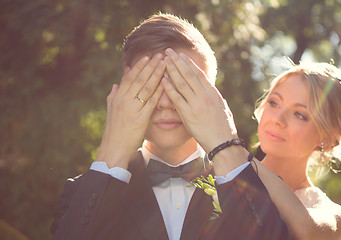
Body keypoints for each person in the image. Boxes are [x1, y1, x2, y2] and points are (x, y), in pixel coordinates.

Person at [51, 13, 291, 240]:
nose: (166, 103)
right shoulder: (83, 192)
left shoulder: (264, 191)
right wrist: (113, 147)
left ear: (212, 95)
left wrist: (225, 144)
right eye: (152, 83)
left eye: (182, 83)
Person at [250, 62, 341, 239]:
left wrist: (233, 157)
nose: (277, 119)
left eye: (299, 114)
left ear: (326, 136)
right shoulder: (215, 172)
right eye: (274, 103)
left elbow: (305, 229)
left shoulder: (331, 215)